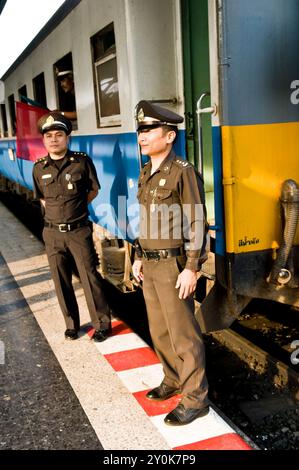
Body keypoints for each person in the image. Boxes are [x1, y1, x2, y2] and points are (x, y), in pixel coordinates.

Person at [132, 101, 209, 426]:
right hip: (150, 265)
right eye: (141, 131)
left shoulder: (183, 171)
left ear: (169, 135)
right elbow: (146, 221)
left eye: (149, 130)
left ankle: (195, 399)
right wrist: (137, 256)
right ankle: (173, 379)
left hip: (173, 266)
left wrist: (192, 266)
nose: (142, 136)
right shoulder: (147, 171)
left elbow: (196, 221)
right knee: (160, 331)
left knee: (183, 335)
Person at [32, 112, 111, 341]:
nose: (54, 139)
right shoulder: (39, 167)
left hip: (78, 231)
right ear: (44, 141)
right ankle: (71, 324)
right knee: (60, 279)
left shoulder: (82, 161)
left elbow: (93, 190)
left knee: (89, 277)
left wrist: (75, 210)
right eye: (49, 136)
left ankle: (102, 324)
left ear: (67, 137)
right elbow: (42, 198)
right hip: (52, 233)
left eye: (59, 135)